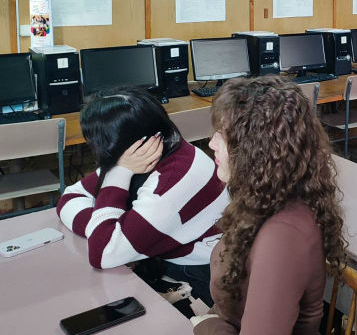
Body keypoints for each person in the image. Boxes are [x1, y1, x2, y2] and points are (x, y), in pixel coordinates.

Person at [192, 76, 347, 334]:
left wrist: (206, 325)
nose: (212, 144)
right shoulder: (266, 196)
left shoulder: (283, 234)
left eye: (223, 135)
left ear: (257, 149)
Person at [56, 89, 228, 306]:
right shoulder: (156, 150)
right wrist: (105, 228)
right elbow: (70, 197)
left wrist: (119, 175)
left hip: (197, 275)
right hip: (170, 261)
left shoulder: (168, 183)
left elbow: (102, 253)